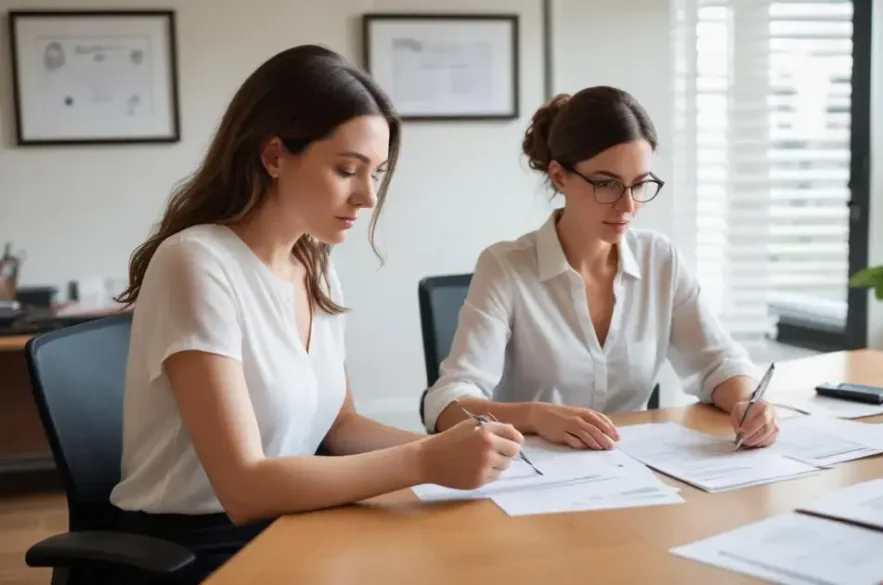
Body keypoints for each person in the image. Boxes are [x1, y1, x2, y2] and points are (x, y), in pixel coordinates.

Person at [108, 45, 522, 584]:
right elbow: (244, 488)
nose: (368, 197)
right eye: (348, 170)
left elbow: (341, 428)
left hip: (295, 524)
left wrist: (460, 451)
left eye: (377, 173)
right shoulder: (196, 262)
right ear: (275, 155)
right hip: (198, 551)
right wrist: (425, 462)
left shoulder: (314, 261)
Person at [423, 86, 779, 451]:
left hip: (635, 474)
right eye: (606, 184)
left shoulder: (660, 259)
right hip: (532, 479)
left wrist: (748, 403)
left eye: (639, 185)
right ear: (559, 177)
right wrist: (536, 416)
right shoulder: (505, 268)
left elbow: (718, 363)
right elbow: (447, 404)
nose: (627, 206)